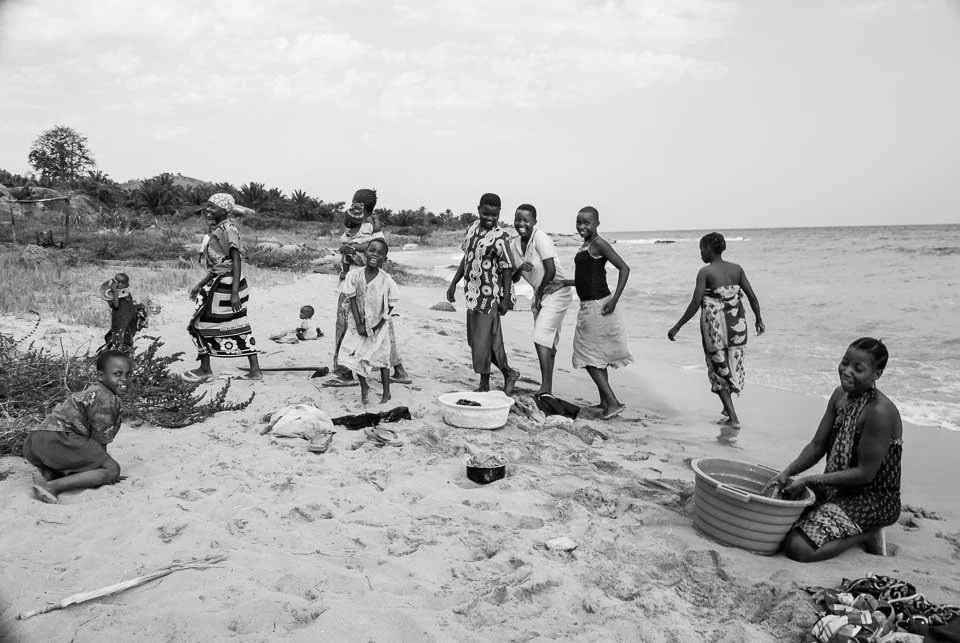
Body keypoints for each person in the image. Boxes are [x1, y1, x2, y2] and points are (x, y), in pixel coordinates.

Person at [762, 338, 902, 563]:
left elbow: (865, 474)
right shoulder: (840, 396)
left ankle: (867, 534)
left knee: (798, 546)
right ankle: (843, 522)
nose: (847, 371)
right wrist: (786, 473)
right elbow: (817, 446)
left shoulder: (879, 412)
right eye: (845, 363)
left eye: (858, 368)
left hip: (873, 498)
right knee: (778, 512)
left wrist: (810, 480)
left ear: (877, 374)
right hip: (836, 487)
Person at [667, 232, 764, 434]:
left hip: (715, 328)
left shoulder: (705, 272)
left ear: (709, 249)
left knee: (718, 367)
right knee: (733, 362)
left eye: (701, 249)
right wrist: (759, 320)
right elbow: (752, 297)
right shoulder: (737, 269)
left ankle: (733, 417)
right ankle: (728, 410)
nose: (700, 253)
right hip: (738, 325)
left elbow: (695, 303)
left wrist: (677, 326)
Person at [22, 350, 132, 504]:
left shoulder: (93, 391)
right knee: (112, 470)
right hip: (59, 438)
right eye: (117, 374)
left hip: (36, 441)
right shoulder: (106, 399)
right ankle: (52, 486)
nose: (124, 379)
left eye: (128, 374)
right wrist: (103, 467)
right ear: (101, 376)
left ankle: (46, 473)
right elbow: (99, 441)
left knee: (80, 461)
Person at [327, 189, 411, 387]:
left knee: (349, 323)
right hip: (363, 281)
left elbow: (378, 246)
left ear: (359, 204)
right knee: (378, 328)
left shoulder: (371, 227)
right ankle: (398, 369)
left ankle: (346, 371)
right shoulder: (361, 224)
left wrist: (353, 248)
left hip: (362, 282)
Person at [557, 206, 632, 420]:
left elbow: (624, 268)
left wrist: (615, 299)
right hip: (589, 305)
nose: (582, 226)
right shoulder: (586, 245)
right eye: (579, 222)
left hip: (599, 306)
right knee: (596, 356)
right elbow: (587, 277)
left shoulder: (599, 244)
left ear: (597, 224)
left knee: (586, 355)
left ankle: (614, 402)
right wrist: (565, 282)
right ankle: (605, 401)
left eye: (586, 223)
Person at [447, 193, 520, 394]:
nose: (489, 218)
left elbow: (507, 268)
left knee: (482, 340)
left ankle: (485, 383)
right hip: (472, 294)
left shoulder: (502, 236)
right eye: (486, 214)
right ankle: (508, 373)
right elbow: (466, 257)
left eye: (494, 215)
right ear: (479, 209)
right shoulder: (471, 228)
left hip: (490, 297)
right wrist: (454, 283)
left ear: (498, 214)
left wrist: (505, 299)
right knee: (479, 340)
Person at [184, 193, 262, 382]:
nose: (208, 210)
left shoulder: (228, 230)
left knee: (203, 324)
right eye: (208, 206)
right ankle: (253, 370)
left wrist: (234, 293)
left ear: (225, 210)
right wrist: (200, 285)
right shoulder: (218, 229)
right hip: (221, 281)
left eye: (213, 207)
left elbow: (235, 261)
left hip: (228, 285)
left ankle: (206, 369)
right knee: (235, 323)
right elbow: (220, 264)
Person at [510, 204, 573, 396]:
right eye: (518, 219)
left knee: (540, 338)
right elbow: (514, 278)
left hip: (556, 291)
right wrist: (520, 269)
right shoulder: (514, 244)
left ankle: (545, 388)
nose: (521, 223)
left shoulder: (540, 238)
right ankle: (548, 389)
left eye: (526, 220)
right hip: (540, 293)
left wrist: (537, 295)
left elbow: (551, 270)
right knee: (548, 342)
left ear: (534, 222)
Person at [337, 238, 399, 405]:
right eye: (372, 250)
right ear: (364, 253)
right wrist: (359, 324)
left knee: (383, 357)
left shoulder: (387, 280)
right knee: (357, 356)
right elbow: (351, 300)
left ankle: (387, 393)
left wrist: (378, 325)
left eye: (380, 253)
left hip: (379, 326)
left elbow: (391, 305)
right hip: (356, 325)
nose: (375, 255)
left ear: (385, 259)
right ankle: (365, 388)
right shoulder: (354, 275)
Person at [99, 272, 142, 354]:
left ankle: (122, 357)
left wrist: (115, 292)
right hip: (119, 320)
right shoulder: (121, 293)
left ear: (125, 284)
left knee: (123, 340)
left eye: (119, 282)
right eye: (116, 281)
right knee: (114, 338)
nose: (116, 283)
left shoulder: (124, 294)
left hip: (124, 322)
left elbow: (116, 305)